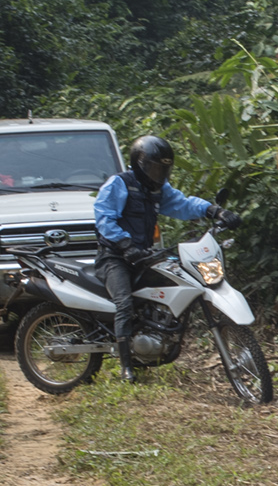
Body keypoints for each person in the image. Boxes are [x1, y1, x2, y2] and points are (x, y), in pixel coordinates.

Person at [93, 134, 236, 377]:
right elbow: (104, 218)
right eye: (154, 168)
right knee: (124, 303)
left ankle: (154, 338)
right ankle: (126, 365)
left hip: (142, 256)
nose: (158, 174)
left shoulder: (158, 191)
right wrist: (126, 244)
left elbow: (184, 204)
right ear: (139, 163)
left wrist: (215, 211)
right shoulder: (119, 183)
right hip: (115, 257)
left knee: (170, 286)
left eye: (163, 169)